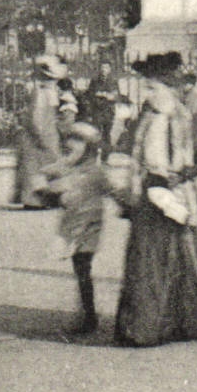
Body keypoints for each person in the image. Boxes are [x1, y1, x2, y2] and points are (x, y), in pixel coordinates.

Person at [114, 52, 197, 347]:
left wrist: (183, 175)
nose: (147, 93)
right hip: (149, 193)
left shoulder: (184, 117)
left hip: (173, 192)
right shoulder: (148, 117)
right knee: (151, 260)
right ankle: (150, 325)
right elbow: (134, 154)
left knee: (177, 259)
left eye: (152, 87)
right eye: (146, 87)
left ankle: (169, 324)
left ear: (167, 87)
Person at [43, 93, 112, 335]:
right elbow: (52, 182)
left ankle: (89, 315)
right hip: (74, 224)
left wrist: (130, 205)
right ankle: (87, 312)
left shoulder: (95, 172)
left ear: (89, 149)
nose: (71, 148)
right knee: (80, 268)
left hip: (90, 224)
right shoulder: (70, 168)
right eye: (69, 144)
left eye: (77, 144)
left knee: (83, 267)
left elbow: (113, 190)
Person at [12, 55, 65, 209]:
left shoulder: (49, 93)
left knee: (47, 167)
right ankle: (33, 201)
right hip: (38, 137)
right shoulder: (41, 93)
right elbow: (36, 117)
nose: (53, 82)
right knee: (34, 170)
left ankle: (48, 198)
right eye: (51, 79)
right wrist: (39, 136)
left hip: (47, 135)